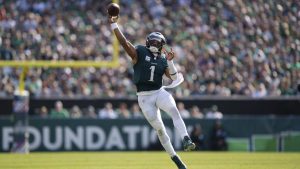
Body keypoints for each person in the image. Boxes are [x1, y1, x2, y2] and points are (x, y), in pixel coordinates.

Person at [108, 14, 195, 169]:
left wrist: (170, 61)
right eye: (152, 40)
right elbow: (124, 42)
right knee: (160, 129)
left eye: (158, 42)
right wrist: (114, 25)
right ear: (148, 42)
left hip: (159, 91)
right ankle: (176, 159)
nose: (155, 43)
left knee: (174, 110)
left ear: (162, 45)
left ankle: (186, 138)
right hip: (144, 98)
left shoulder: (163, 59)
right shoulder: (140, 52)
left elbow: (174, 78)